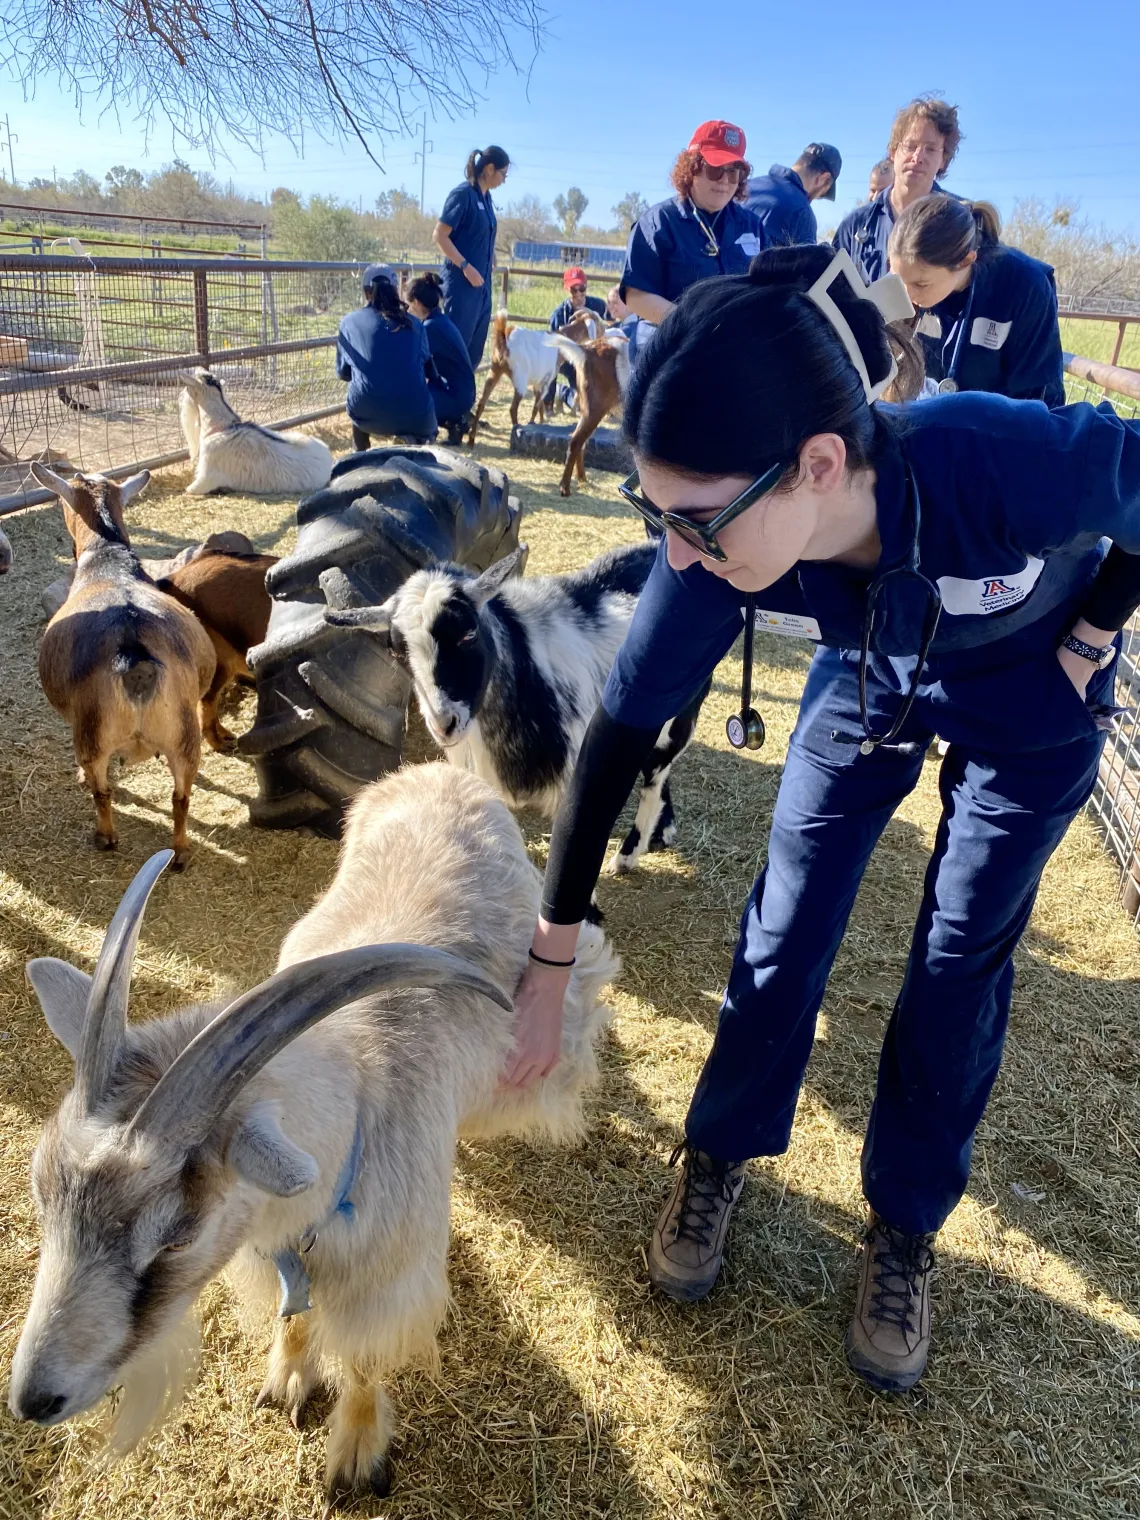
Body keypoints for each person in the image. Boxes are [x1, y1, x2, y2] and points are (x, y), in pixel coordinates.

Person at [506, 242, 1139, 1397]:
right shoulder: (716, 554)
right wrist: (549, 957)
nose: (673, 552)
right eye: (657, 514)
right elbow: (615, 736)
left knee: (959, 955)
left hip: (1030, 682)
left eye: (693, 520)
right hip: (873, 672)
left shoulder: (992, 455)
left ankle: (903, 1224)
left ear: (818, 462)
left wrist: (1097, 627)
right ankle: (720, 1147)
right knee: (788, 914)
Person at [889, 196, 1065, 406]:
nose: (906, 295)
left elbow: (1038, 402)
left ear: (965, 261)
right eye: (898, 280)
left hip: (1000, 427)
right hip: (928, 421)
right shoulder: (919, 285)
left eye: (920, 285)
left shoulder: (1025, 287)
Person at [620, 120, 766, 330]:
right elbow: (636, 296)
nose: (724, 181)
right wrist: (694, 327)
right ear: (692, 169)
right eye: (715, 170)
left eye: (733, 172)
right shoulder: (658, 222)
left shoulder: (752, 225)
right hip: (670, 348)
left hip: (734, 348)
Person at [834, 97, 962, 283]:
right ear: (893, 151)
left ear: (943, 159)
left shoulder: (961, 222)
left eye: (931, 149)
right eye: (910, 146)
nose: (917, 157)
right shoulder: (854, 226)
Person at [336, 264, 436, 449]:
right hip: (415, 417)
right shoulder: (415, 324)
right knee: (422, 407)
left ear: (366, 293)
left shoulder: (349, 322)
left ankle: (361, 452)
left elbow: (343, 374)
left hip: (366, 416)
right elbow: (429, 370)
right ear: (396, 291)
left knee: (359, 390)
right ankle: (415, 443)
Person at [433, 145, 510, 367]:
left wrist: (490, 252)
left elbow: (480, 231)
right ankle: (444, 399)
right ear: (489, 168)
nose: (504, 180)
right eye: (503, 174)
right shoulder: (463, 195)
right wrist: (465, 265)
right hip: (461, 287)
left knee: (473, 353)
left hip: (482, 289)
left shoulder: (485, 199)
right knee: (453, 350)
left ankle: (463, 399)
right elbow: (440, 236)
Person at [406, 271, 477, 445]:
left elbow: (414, 362)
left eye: (409, 305)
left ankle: (427, 431)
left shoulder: (431, 328)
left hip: (455, 394)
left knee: (411, 402)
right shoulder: (440, 321)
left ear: (416, 303)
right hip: (461, 392)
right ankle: (455, 422)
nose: (407, 310)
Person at [744, 143, 841, 246]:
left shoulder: (745, 187)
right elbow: (806, 261)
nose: (817, 198)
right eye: (822, 193)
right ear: (823, 179)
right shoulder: (801, 212)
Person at [545, 267, 609, 410]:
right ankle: (559, 394)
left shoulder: (599, 306)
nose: (579, 294)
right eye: (574, 290)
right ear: (566, 290)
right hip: (569, 361)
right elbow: (553, 352)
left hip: (594, 360)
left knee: (592, 401)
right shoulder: (559, 315)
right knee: (582, 404)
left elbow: (613, 326)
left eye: (582, 289)